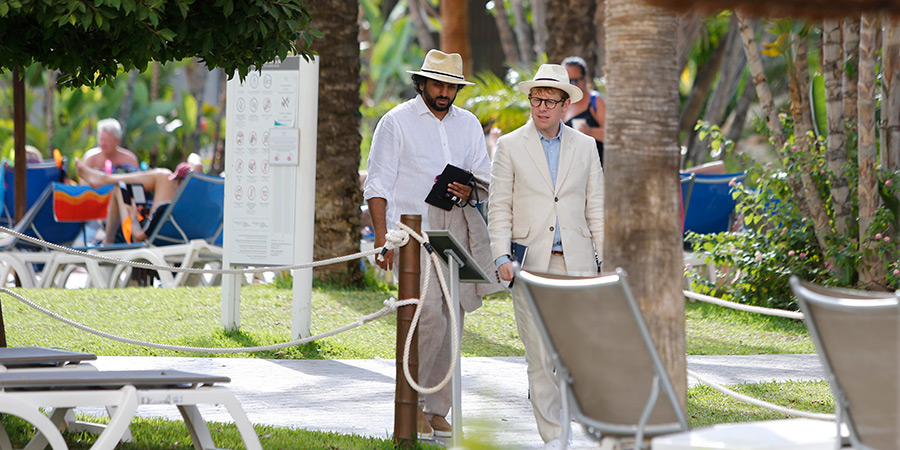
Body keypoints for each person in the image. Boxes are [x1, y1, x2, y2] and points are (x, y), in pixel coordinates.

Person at [364, 49, 501, 440]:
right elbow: (377, 184)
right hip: (411, 235)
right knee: (430, 318)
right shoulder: (396, 122)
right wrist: (380, 237)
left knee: (454, 318)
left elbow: (484, 177)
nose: (444, 91)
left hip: (454, 231)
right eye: (438, 84)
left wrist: (467, 188)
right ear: (421, 83)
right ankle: (413, 404)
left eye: (451, 86)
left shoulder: (469, 124)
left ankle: (437, 409)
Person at [488, 63, 604, 448]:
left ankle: (567, 425)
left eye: (550, 101)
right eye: (536, 99)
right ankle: (556, 440)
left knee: (574, 359)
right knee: (539, 358)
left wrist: (604, 263)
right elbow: (499, 206)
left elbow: (596, 209)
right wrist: (501, 256)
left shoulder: (586, 146)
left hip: (577, 264)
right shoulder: (509, 146)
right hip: (528, 265)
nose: (541, 107)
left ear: (565, 104)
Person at [76, 159, 199, 244]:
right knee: (163, 175)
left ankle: (108, 241)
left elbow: (138, 237)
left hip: (148, 242)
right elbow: (198, 164)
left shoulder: (164, 209)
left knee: (119, 188)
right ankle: (103, 178)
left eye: (175, 182)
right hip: (177, 239)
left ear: (179, 183)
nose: (173, 185)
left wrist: (133, 216)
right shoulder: (198, 210)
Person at [561, 56, 607, 164]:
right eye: (567, 81)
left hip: (595, 166)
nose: (571, 85)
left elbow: (613, 135)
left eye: (575, 80)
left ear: (584, 78)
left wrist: (591, 132)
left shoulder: (595, 101)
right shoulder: (559, 103)